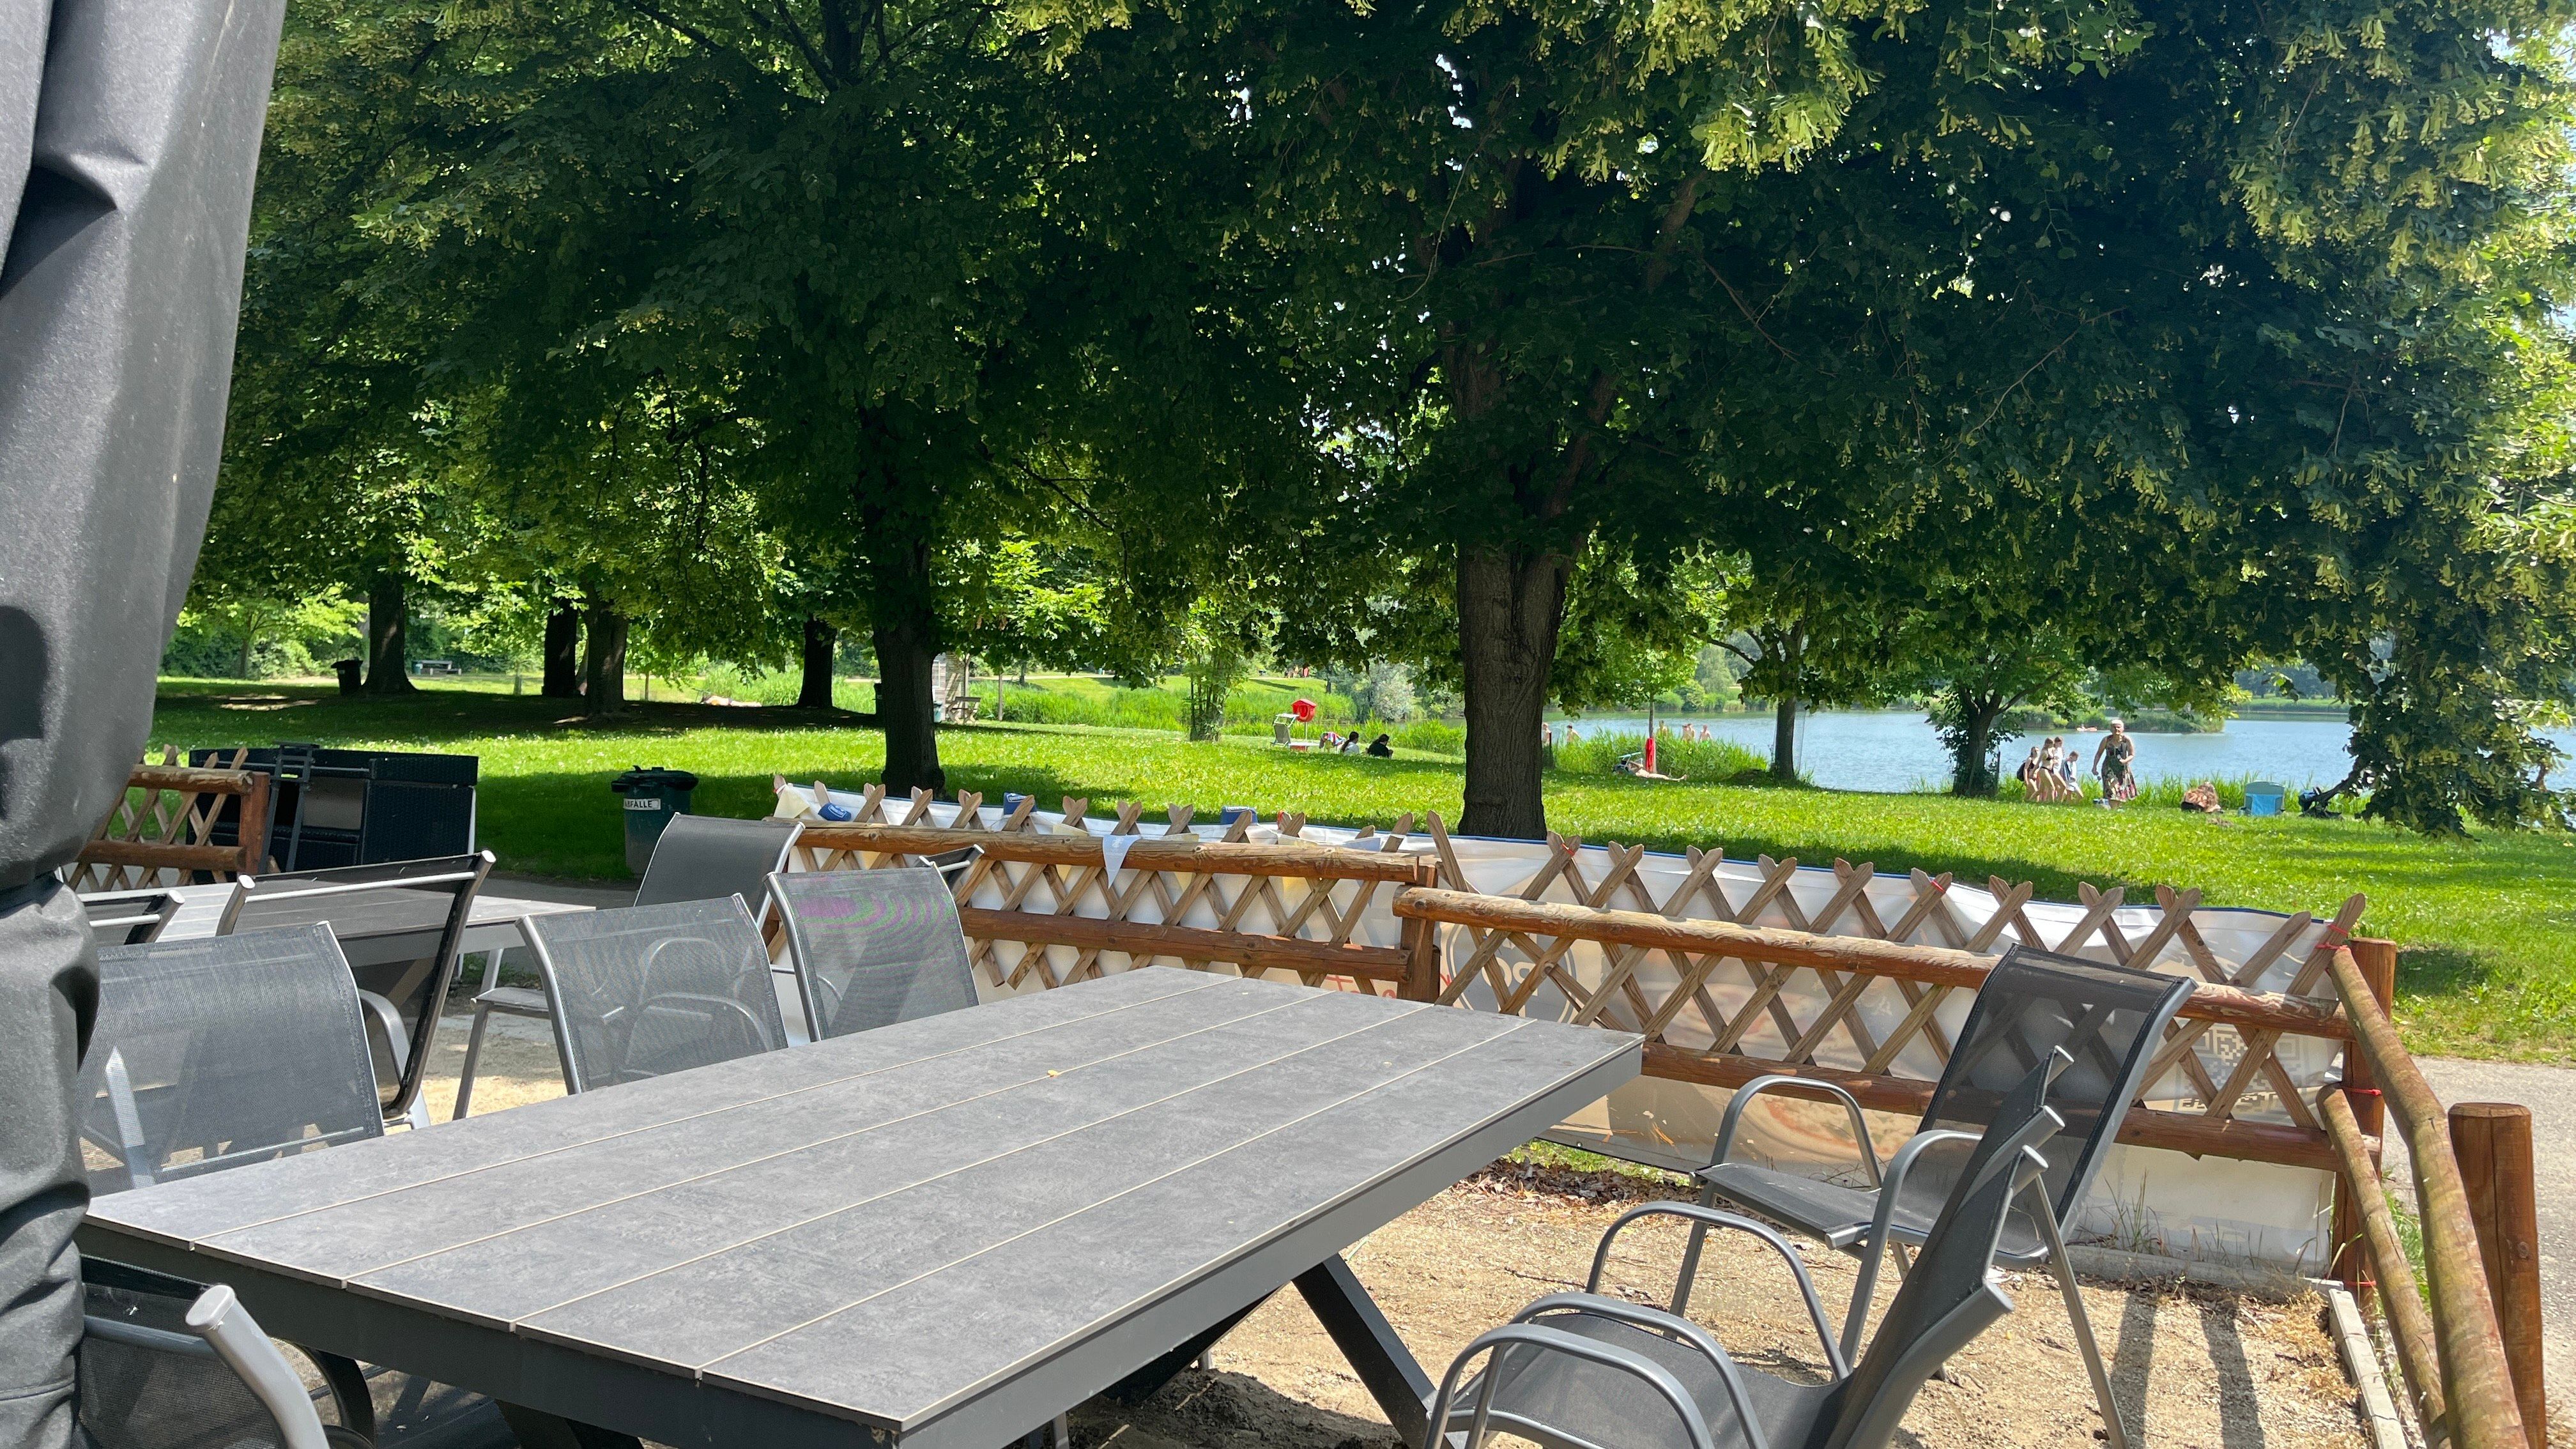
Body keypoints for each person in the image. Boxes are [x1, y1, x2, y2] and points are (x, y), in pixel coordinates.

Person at [2093, 720, 2138, 804]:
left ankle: (2115, 809)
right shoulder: (2107, 740)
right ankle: (2113, 809)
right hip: (2109, 768)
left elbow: (2132, 754)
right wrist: (2094, 767)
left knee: (2121, 791)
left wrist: (2125, 761)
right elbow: (2099, 754)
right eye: (2114, 727)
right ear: (2111, 729)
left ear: (2123, 729)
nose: (2116, 729)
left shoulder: (2127, 740)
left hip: (2122, 769)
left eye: (2119, 727)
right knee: (2111, 789)